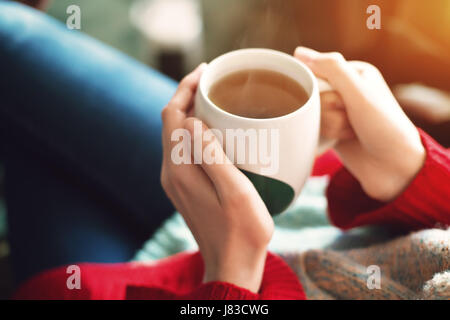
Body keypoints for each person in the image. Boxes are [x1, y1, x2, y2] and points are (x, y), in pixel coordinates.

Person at [1, 1, 448, 299]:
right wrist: (414, 175)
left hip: (222, 274)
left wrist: (231, 274)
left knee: (23, 121)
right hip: (332, 203)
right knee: (12, 42)